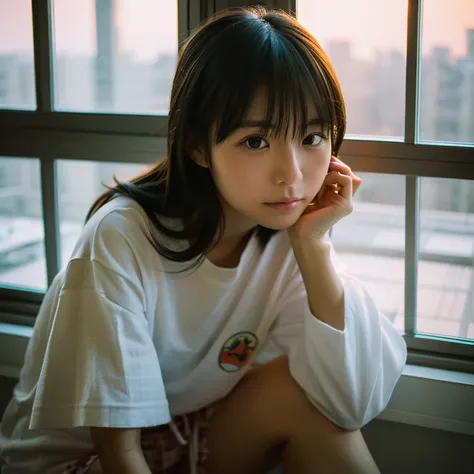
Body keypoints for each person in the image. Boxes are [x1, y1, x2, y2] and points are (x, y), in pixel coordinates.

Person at [0, 6, 407, 474]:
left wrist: (314, 247)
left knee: (312, 402)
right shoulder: (122, 238)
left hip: (183, 435)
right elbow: (118, 454)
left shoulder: (288, 232)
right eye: (256, 141)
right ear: (197, 145)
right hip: (81, 462)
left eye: (313, 137)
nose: (292, 175)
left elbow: (349, 404)